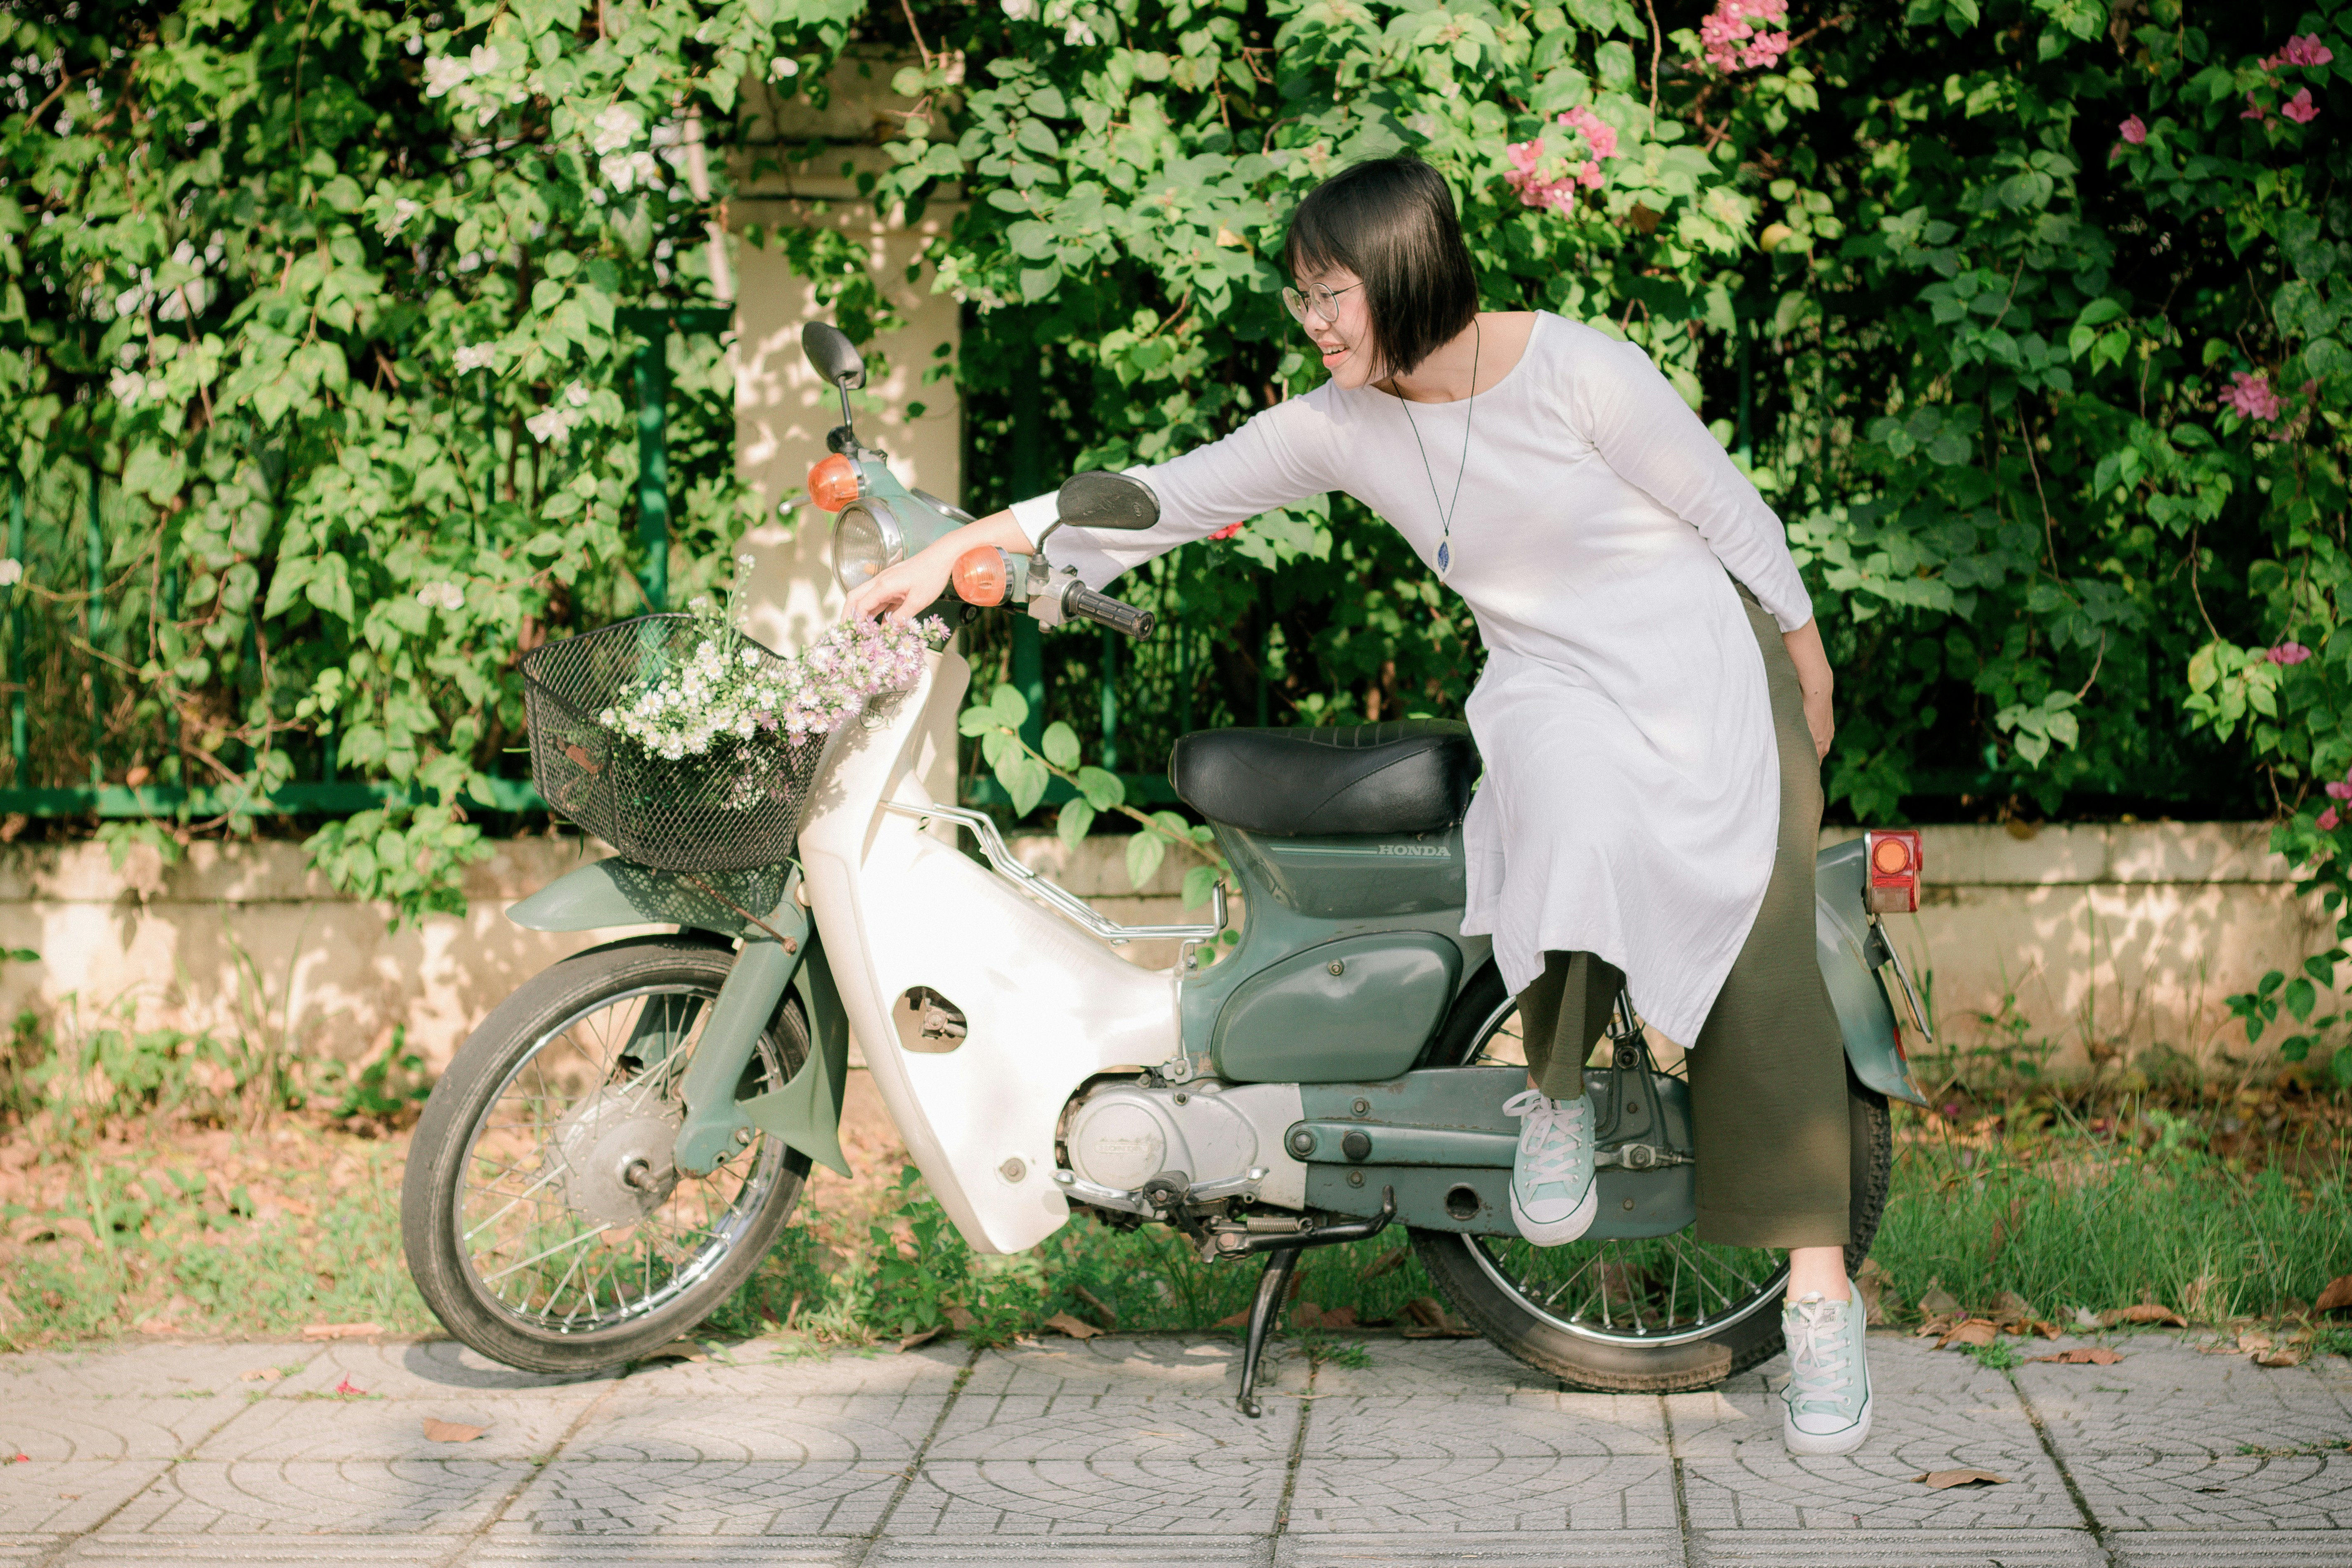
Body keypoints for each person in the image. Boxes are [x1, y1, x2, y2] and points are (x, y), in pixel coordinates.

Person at [844, 156, 1870, 1457]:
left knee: (1764, 962)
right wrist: (959, 548)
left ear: (1403, 271)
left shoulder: (1579, 372)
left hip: (1701, 660)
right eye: (1301, 299)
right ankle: (1553, 1098)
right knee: (1564, 826)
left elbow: (1729, 510)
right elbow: (1164, 494)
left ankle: (1820, 1299)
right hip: (1554, 679)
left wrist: (1804, 660)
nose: (1313, 323)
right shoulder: (1343, 422)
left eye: (1330, 295)